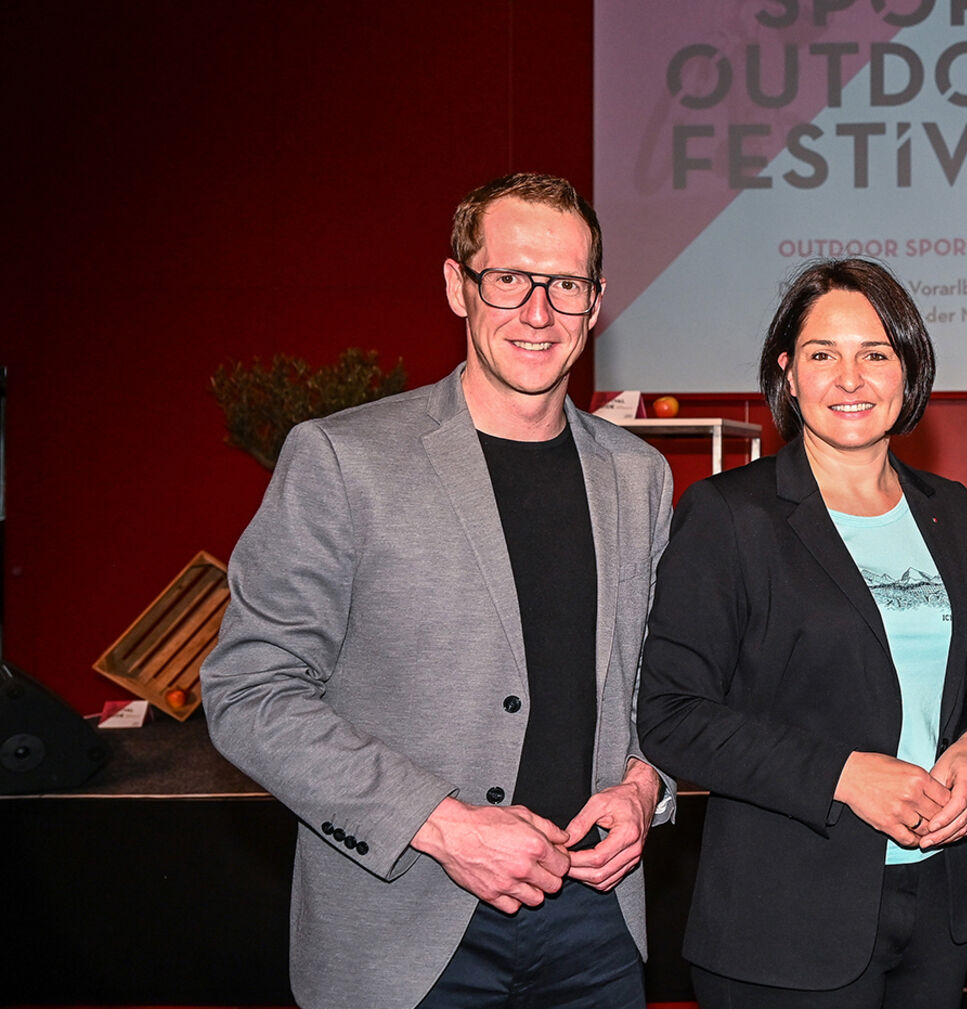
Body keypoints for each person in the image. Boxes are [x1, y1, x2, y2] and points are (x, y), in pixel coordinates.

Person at [201, 172, 675, 1009]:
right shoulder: (344, 460)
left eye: (566, 284)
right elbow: (250, 691)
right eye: (510, 278)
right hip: (404, 926)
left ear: (596, 302)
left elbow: (663, 683)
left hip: (596, 925)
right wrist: (444, 824)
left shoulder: (639, 476)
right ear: (458, 285)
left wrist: (645, 785)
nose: (539, 312)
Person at [635, 258, 967, 1008]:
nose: (851, 378)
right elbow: (671, 715)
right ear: (788, 374)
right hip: (785, 922)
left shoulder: (952, 511)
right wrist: (844, 774)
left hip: (938, 912)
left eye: (876, 354)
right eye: (823, 354)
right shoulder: (729, 515)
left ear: (908, 369)